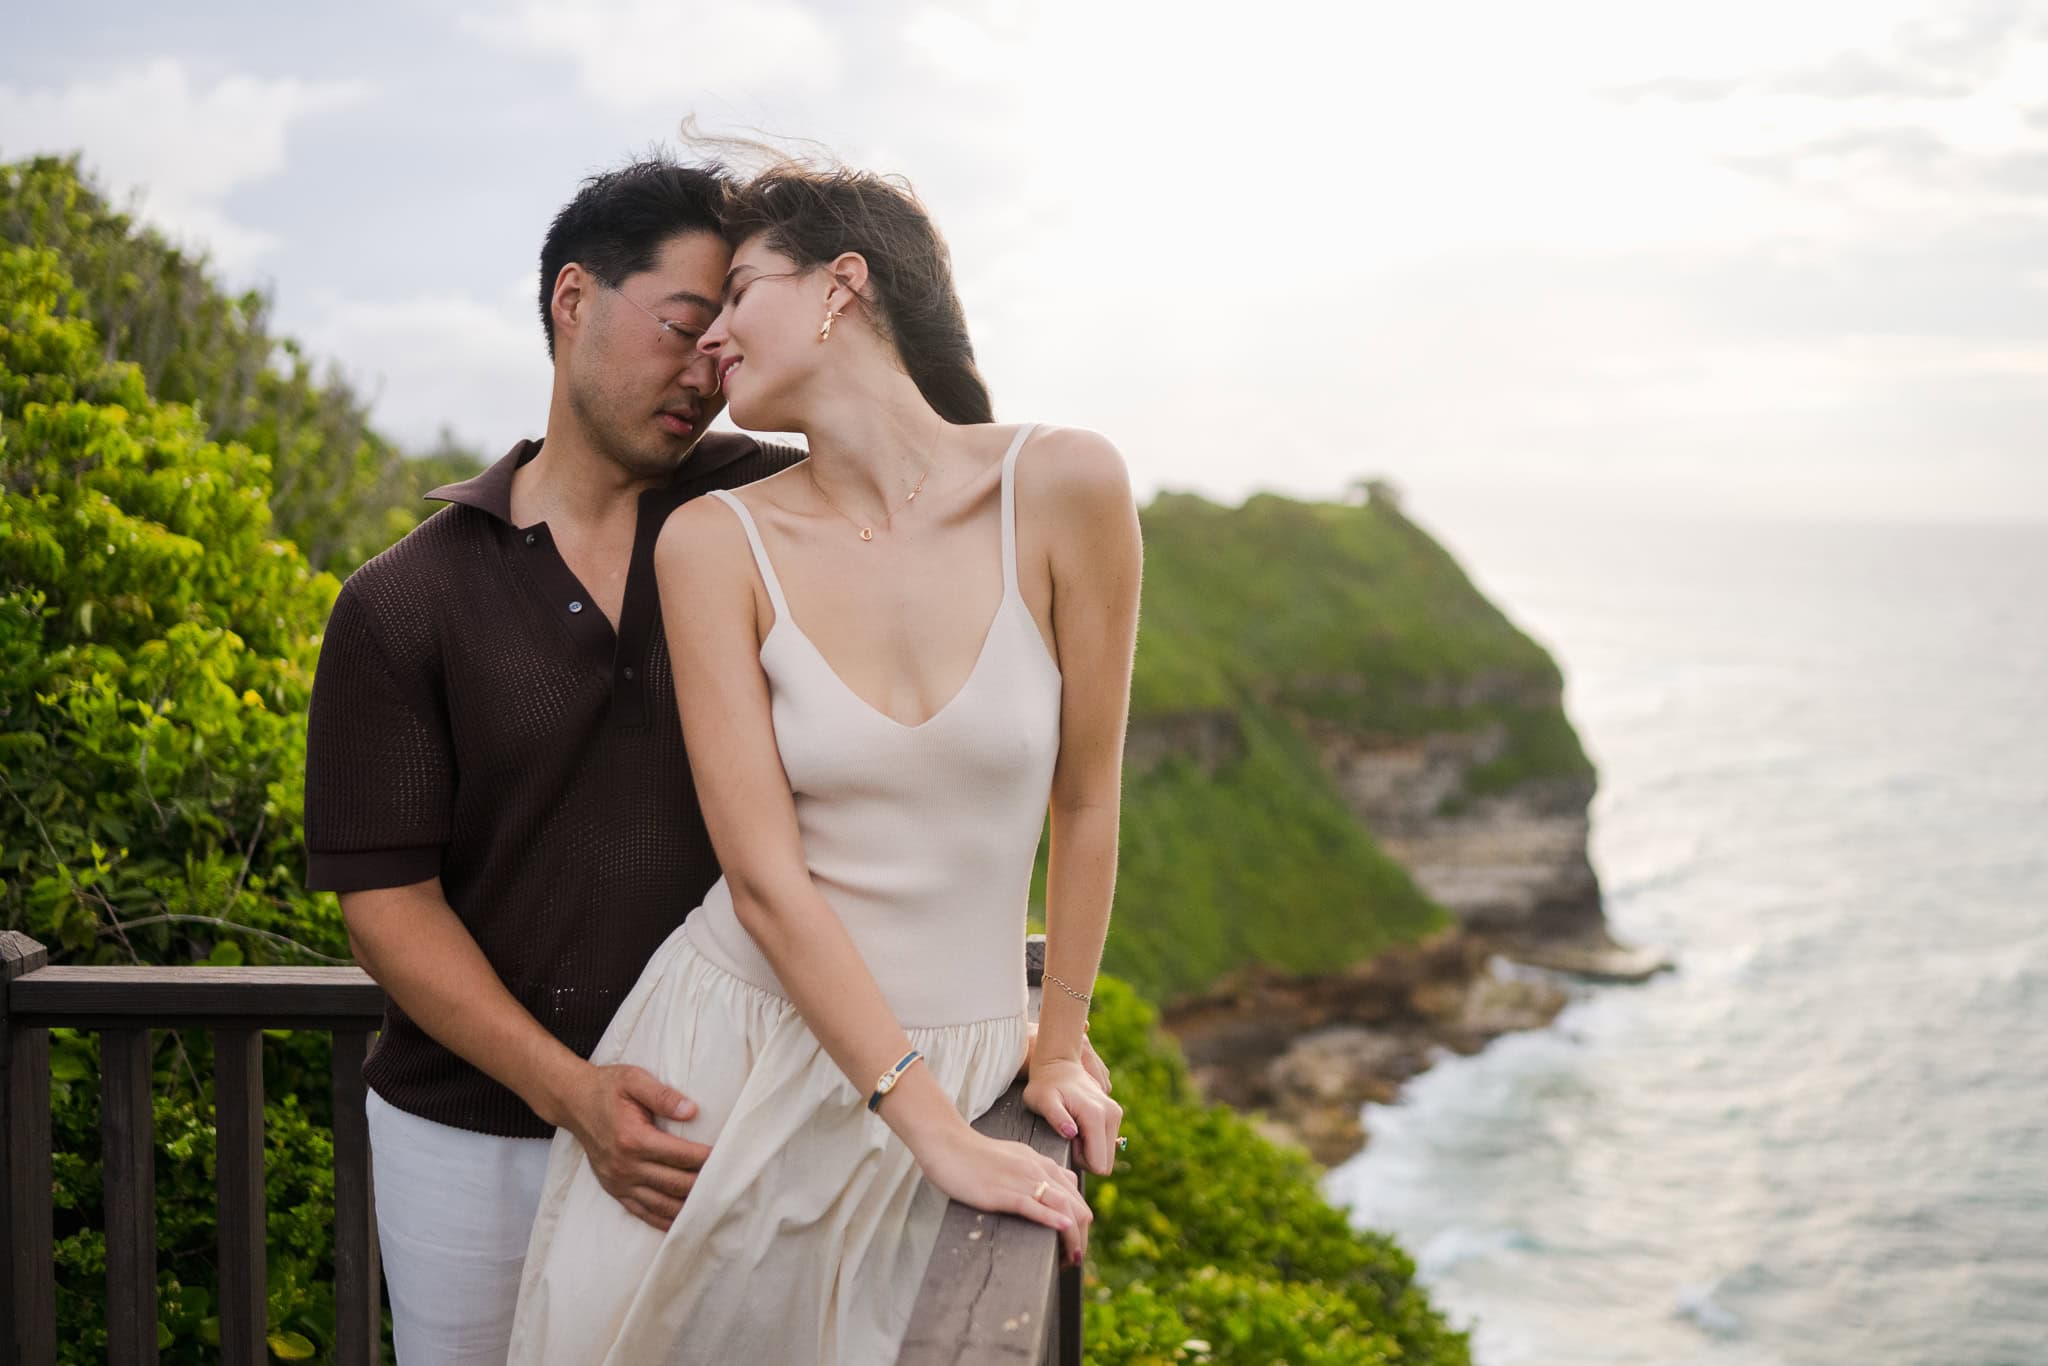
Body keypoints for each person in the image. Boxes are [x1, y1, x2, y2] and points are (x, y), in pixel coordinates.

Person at [506, 160, 1140, 1363]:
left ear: (842, 285)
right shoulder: (714, 542)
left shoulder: (1064, 484)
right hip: (733, 1058)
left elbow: (1088, 796)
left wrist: (1056, 1046)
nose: (711, 343)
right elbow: (764, 881)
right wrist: (932, 1127)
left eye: (740, 293)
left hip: (964, 1054)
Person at [301, 159, 810, 1364]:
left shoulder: (770, 513)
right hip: (468, 1137)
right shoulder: (403, 599)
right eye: (683, 326)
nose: (706, 374)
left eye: (728, 343)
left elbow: (935, 477)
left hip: (724, 1117)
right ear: (572, 299)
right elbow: (386, 904)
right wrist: (570, 1092)